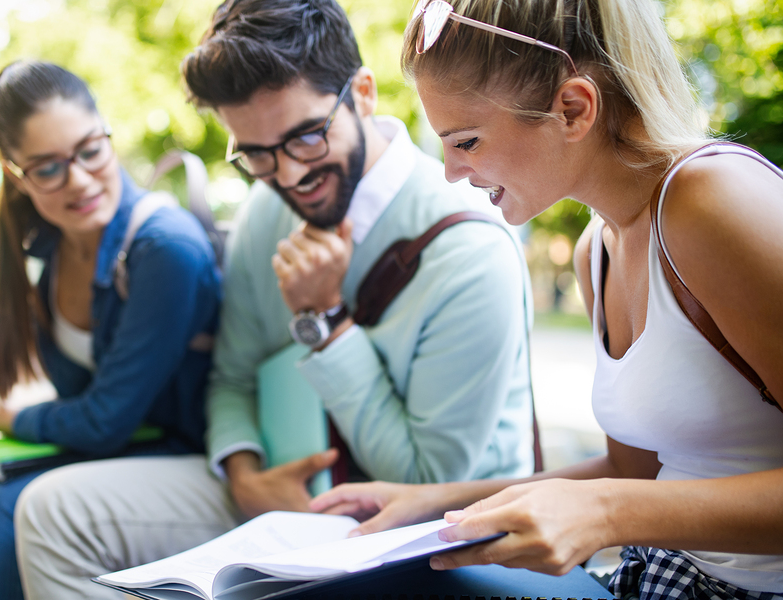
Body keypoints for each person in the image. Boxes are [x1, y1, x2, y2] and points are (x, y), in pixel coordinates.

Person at [13, 0, 536, 597]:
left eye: (307, 138)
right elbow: (231, 377)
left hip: (429, 532)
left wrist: (325, 320)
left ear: (363, 93)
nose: (289, 176)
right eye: (257, 155)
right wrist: (242, 473)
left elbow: (423, 480)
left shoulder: (469, 247)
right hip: (284, 491)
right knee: (52, 510)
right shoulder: (268, 211)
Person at [310, 0, 783, 597]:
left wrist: (607, 515)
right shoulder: (598, 249)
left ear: (573, 108)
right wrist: (436, 502)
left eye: (468, 141)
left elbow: (619, 497)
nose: (453, 172)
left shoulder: (715, 201)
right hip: (659, 577)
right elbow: (629, 472)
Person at [0, 60, 221, 600]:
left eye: (90, 150)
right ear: (16, 176)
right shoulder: (49, 248)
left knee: (7, 504)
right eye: (48, 168)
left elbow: (103, 422)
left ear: (107, 135)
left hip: (188, 455)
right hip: (129, 449)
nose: (78, 180)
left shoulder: (164, 248)